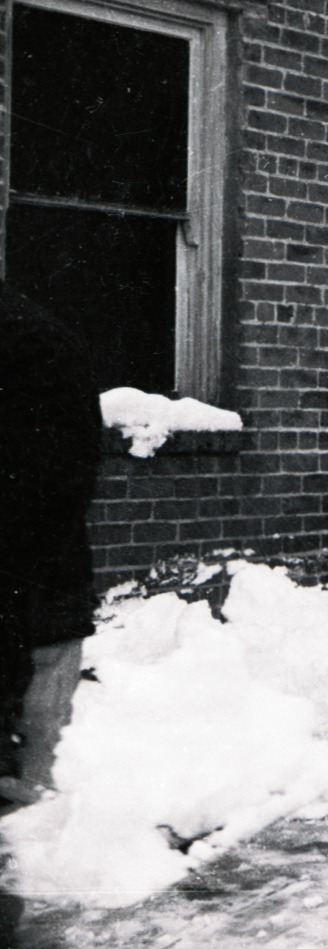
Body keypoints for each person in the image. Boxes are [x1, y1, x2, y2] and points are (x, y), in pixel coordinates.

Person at [0, 279, 103, 805]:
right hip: (32, 595)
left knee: (26, 790)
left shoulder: (32, 342)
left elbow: (55, 485)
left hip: (34, 596)